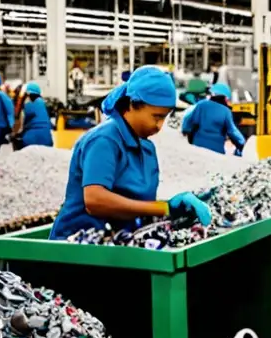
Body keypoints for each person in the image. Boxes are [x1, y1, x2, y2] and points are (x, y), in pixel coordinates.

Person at [49, 66, 211, 240]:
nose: (159, 125)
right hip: (78, 249)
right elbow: (95, 201)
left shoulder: (145, 148)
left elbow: (136, 202)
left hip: (119, 245)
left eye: (164, 117)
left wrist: (174, 206)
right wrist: (164, 208)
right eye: (156, 116)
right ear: (132, 105)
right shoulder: (104, 140)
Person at [181, 83, 245, 155]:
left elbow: (188, 120)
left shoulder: (201, 105)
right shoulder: (226, 111)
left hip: (198, 144)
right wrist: (241, 142)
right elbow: (232, 131)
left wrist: (185, 130)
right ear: (225, 98)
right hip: (217, 149)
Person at [16, 82, 53, 148]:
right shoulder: (45, 105)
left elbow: (21, 128)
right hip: (47, 140)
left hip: (30, 141)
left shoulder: (27, 106)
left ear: (28, 94)